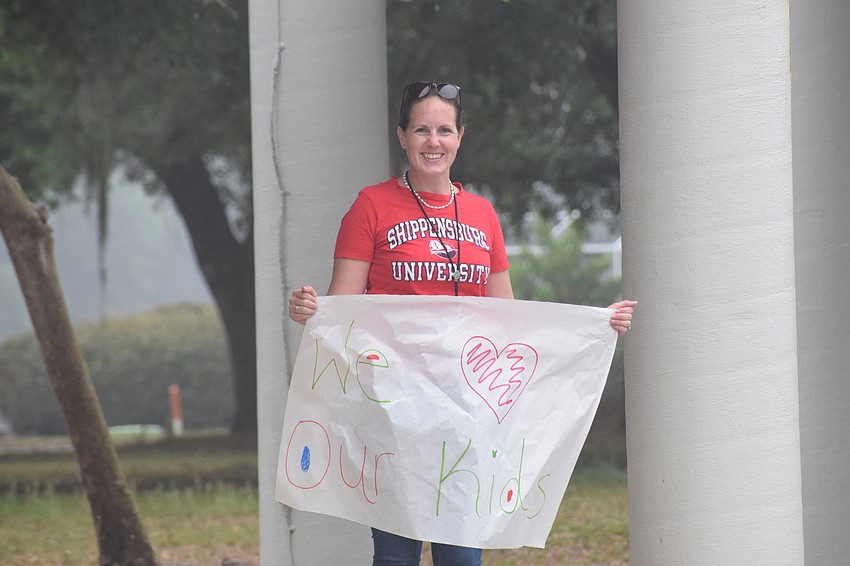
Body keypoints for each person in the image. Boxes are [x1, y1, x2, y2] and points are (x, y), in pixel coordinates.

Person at [288, 81, 636, 566]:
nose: (434, 141)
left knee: (460, 553)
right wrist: (310, 309)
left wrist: (594, 326)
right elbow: (341, 305)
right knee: (396, 553)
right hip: (394, 405)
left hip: (466, 404)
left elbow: (508, 318)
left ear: (460, 137)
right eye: (422, 130)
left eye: (444, 130)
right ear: (402, 137)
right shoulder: (371, 206)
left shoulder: (481, 214)